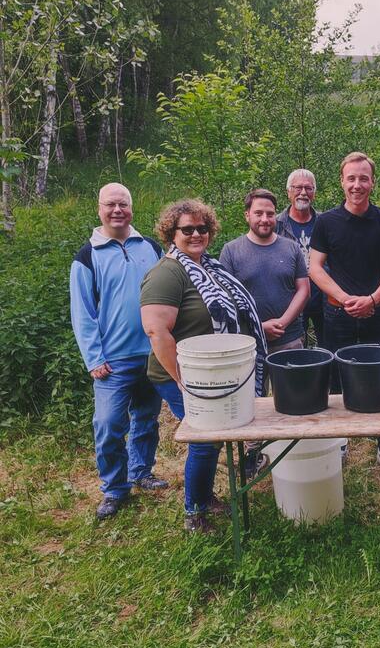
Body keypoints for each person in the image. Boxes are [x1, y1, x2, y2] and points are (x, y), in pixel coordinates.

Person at [140, 199, 268, 533]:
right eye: (187, 229)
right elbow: (156, 331)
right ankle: (194, 513)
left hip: (214, 372)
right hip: (182, 374)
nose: (196, 234)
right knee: (204, 439)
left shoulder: (209, 266)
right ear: (171, 232)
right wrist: (182, 380)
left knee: (213, 436)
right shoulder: (167, 273)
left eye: (202, 228)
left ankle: (205, 497)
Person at [70, 182, 166, 520]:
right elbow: (83, 313)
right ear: (99, 209)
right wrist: (93, 357)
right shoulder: (87, 256)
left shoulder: (151, 247)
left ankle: (141, 472)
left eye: (123, 204)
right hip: (112, 361)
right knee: (109, 424)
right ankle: (114, 488)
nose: (117, 210)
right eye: (110, 204)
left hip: (152, 354)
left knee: (146, 419)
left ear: (131, 208)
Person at [309, 152, 380, 476]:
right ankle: (340, 441)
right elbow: (315, 268)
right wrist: (345, 298)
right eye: (351, 178)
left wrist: (373, 299)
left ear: (372, 182)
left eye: (363, 178)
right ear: (342, 181)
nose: (357, 185)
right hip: (337, 314)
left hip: (376, 313)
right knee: (336, 378)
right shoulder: (326, 222)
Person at [220, 188, 310, 477]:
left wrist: (282, 321)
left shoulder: (291, 248)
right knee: (251, 400)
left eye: (270, 213)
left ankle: (293, 448)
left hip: (290, 338)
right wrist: (260, 326)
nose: (264, 218)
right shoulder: (231, 251)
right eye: (258, 213)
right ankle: (253, 453)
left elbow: (303, 289)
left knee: (293, 398)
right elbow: (227, 297)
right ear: (247, 215)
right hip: (249, 343)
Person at [275, 169, 324, 347]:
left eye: (308, 188)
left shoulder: (325, 222)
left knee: (329, 346)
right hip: (290, 299)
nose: (303, 193)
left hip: (323, 297)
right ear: (288, 192)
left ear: (314, 193)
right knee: (295, 349)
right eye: (298, 188)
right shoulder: (276, 224)